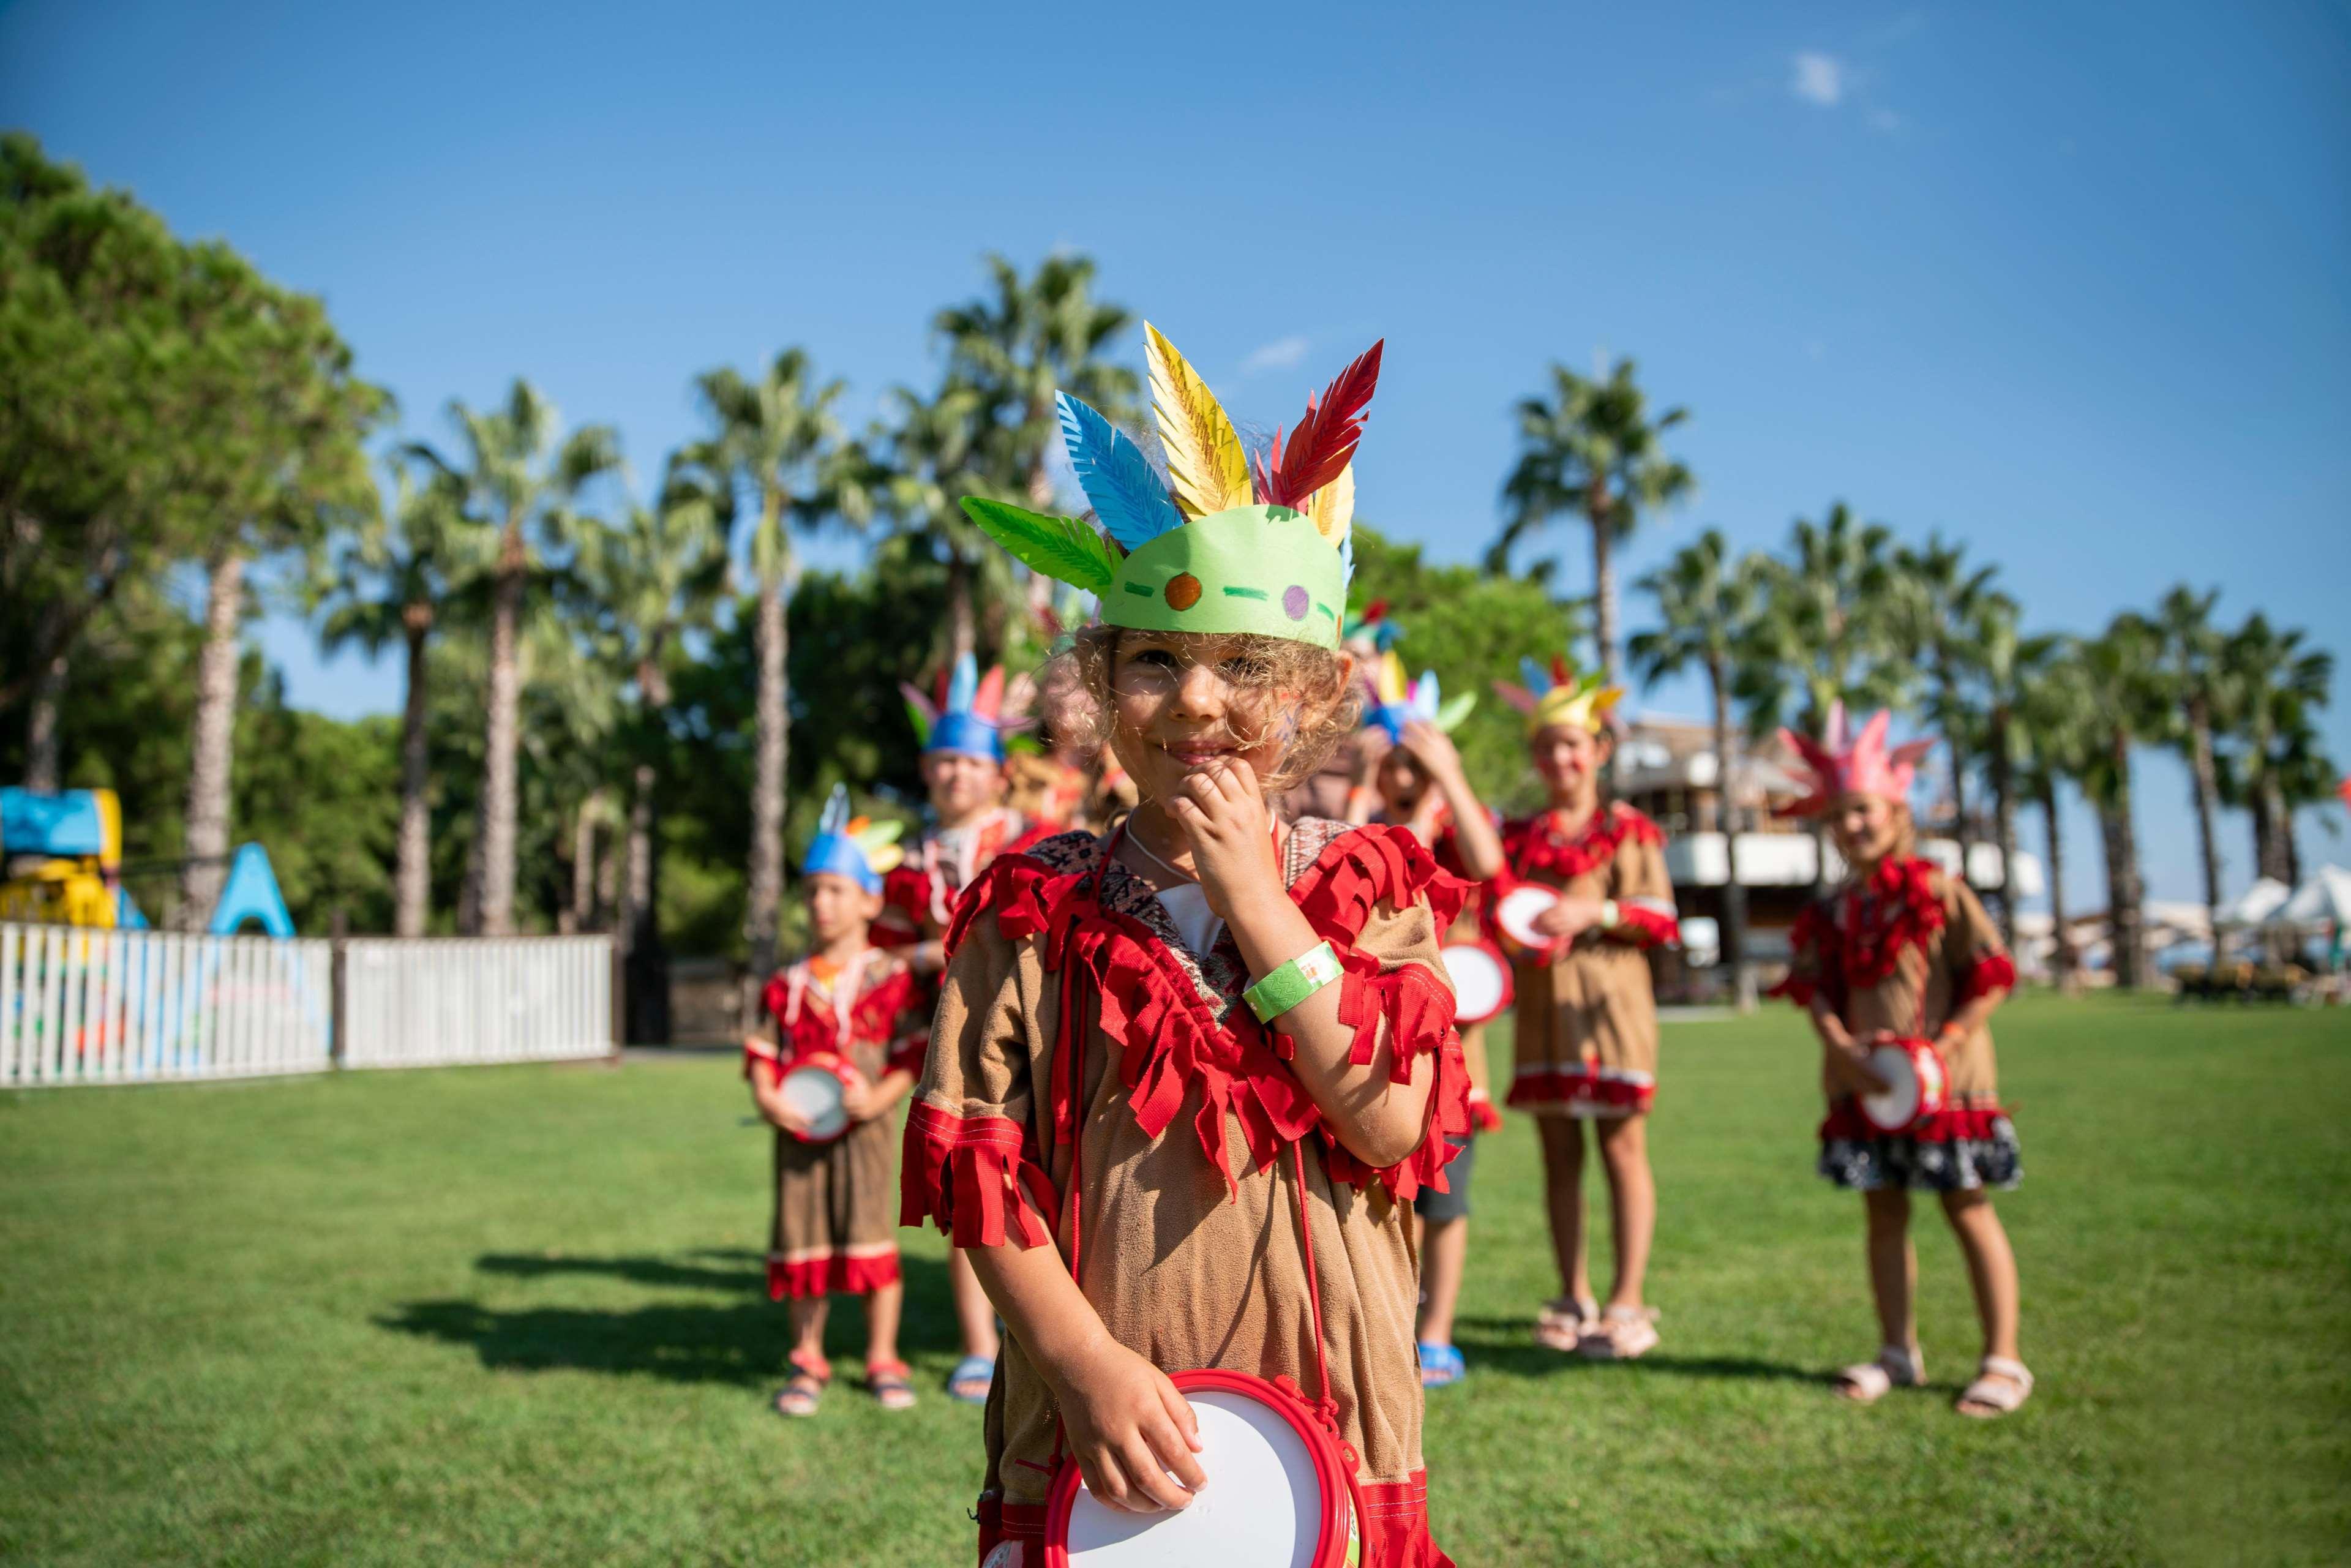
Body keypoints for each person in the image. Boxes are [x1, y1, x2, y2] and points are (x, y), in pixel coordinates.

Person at [903, 325, 1466, 1566]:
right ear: (1102, 687)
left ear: (1313, 697)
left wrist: (1261, 905)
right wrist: (1083, 1360)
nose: (1199, 703)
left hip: (1333, 1431)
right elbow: (981, 1169)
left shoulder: (1374, 885)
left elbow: (1391, 1125)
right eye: (1156, 659)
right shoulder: (1029, 906)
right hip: (1104, 1443)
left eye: (1245, 665)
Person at [1769, 705, 2031, 1418]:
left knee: (1966, 1207)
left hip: (1949, 1086)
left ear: (1896, 808)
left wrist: (1945, 1044)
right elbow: (1814, 988)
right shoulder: (1831, 909)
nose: (1853, 825)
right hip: (1866, 1086)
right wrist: (1841, 1049)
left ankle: (2003, 1357)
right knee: (1883, 1215)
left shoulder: (1941, 890)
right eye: (1840, 815)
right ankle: (1896, 1350)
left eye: (1864, 810)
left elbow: (1992, 972)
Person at [883, 653, 1059, 1404]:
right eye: (943, 760)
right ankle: (976, 1344)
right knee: (967, 1177)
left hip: (1040, 1030)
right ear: (926, 771)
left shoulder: (1038, 838)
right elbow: (884, 953)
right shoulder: (902, 863)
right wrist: (929, 951)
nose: (955, 775)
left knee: (1052, 1175)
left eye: (969, 761)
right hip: (949, 1043)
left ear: (998, 773)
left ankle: (1058, 1327)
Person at [1493, 658, 1679, 1360]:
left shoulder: (1628, 829)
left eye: (1574, 744)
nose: (1560, 758)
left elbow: (1661, 914)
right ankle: (1572, 1293)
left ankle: (1628, 1298)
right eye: (1547, 746)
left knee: (1623, 1147)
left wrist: (1594, 909)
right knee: (1557, 1154)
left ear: (1600, 750)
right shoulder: (1522, 834)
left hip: (1613, 1006)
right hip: (1545, 1008)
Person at [1347, 654, 1506, 1388]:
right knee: (1386, 1191)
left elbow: (1490, 861)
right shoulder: (1368, 821)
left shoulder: (1452, 824)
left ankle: (1437, 1327)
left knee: (1448, 1197)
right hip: (1374, 1042)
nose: (1403, 771)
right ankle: (1393, 1318)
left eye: (1416, 759)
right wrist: (1360, 782)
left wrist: (1451, 778)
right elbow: (1340, 873)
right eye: (1394, 760)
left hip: (1452, 1060)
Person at [745, 787, 928, 1417]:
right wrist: (769, 1097)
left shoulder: (890, 976)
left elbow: (913, 1047)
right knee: (804, 1236)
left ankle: (883, 1356)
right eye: (813, 890)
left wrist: (880, 1094)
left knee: (870, 1234)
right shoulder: (787, 984)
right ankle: (807, 1357)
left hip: (867, 1130)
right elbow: (763, 1051)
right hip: (798, 1134)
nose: (822, 903)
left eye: (836, 889)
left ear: (869, 899)